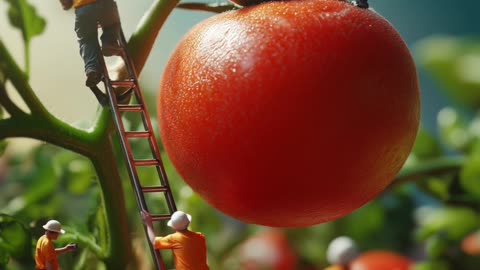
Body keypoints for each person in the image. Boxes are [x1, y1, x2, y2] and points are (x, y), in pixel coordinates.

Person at [59, 0, 122, 87]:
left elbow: (66, 4)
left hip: (83, 9)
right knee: (112, 25)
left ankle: (92, 69)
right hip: (105, 4)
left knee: (86, 41)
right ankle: (109, 43)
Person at [141, 210, 210, 270]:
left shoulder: (174, 239)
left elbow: (154, 241)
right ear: (188, 223)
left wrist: (148, 224)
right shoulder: (200, 237)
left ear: (173, 227)